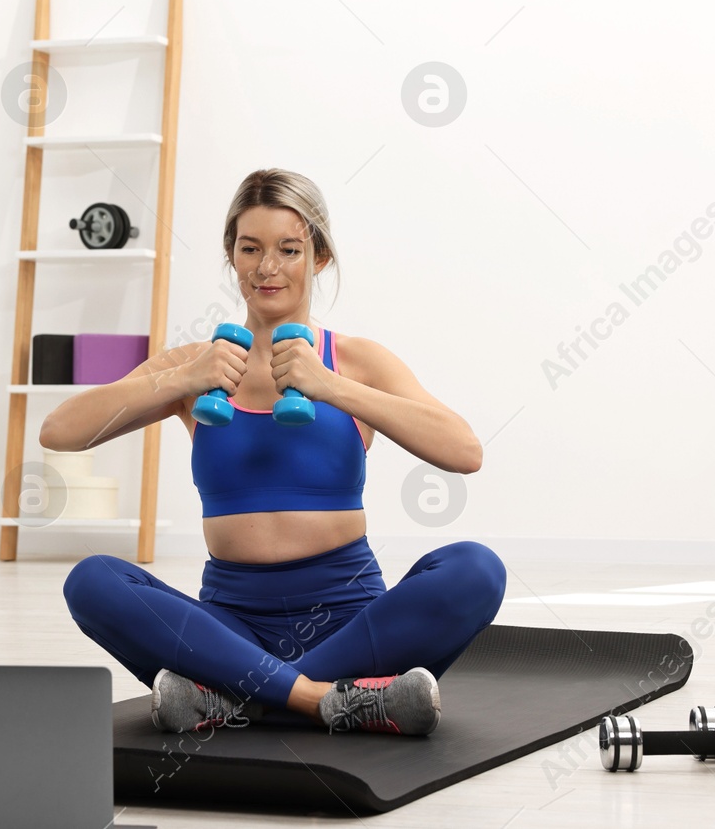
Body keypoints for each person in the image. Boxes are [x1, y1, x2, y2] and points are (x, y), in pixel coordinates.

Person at [45, 168, 506, 736]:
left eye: (289, 249)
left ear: (319, 258)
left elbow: (465, 451)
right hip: (230, 624)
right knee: (92, 580)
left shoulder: (356, 362)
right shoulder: (194, 366)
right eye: (251, 249)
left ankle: (238, 697)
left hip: (349, 621)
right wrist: (180, 379)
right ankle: (329, 700)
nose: (267, 267)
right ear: (231, 256)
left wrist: (332, 386)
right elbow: (60, 433)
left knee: (476, 569)